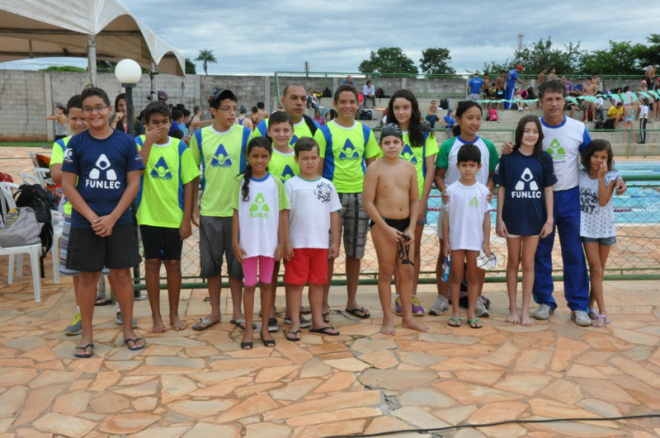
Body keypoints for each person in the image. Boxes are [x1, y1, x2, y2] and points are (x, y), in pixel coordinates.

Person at [501, 79, 626, 326]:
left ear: (564, 101)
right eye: (549, 99)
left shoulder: (578, 129)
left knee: (573, 253)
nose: (554, 104)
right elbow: (518, 152)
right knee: (541, 253)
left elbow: (598, 157)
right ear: (541, 102)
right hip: (539, 199)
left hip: (570, 197)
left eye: (558, 99)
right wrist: (508, 148)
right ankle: (545, 301)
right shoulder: (534, 130)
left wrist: (616, 176)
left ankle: (578, 305)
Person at [61, 87, 145, 358]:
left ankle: (128, 331)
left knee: (121, 275)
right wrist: (93, 217)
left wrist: (112, 217)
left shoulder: (126, 142)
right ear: (82, 113)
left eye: (99, 107)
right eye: (88, 109)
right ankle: (87, 334)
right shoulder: (76, 144)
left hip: (118, 221)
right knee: (87, 277)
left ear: (110, 110)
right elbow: (67, 184)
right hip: (87, 223)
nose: (94, 113)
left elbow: (134, 182)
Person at [314, 84, 380, 321]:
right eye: (343, 102)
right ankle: (323, 303)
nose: (348, 106)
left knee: (356, 252)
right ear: (335, 104)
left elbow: (373, 166)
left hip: (360, 197)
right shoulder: (324, 132)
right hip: (332, 199)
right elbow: (318, 170)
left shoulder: (365, 132)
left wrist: (372, 198)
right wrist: (321, 201)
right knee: (329, 253)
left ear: (358, 103)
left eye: (352, 102)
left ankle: (352, 300)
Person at [190, 88, 251, 331]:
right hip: (211, 211)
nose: (232, 113)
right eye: (226, 109)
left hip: (239, 213)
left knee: (237, 267)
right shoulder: (200, 137)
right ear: (213, 111)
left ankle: (237, 312)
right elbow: (192, 174)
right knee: (211, 266)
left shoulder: (245, 134)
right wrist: (194, 208)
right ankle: (215, 312)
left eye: (234, 108)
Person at [431, 101, 499, 317]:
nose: (475, 122)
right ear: (458, 119)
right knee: (446, 253)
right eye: (470, 117)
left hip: (477, 209)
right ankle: (443, 297)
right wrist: (444, 191)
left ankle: (476, 298)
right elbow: (439, 175)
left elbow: (493, 175)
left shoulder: (487, 147)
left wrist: (489, 189)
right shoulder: (448, 146)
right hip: (453, 209)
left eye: (478, 117)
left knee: (478, 256)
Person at [136, 101, 199, 333]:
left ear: (171, 123)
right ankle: (156, 317)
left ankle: (174, 314)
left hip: (174, 217)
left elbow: (190, 181)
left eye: (164, 122)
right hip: (149, 216)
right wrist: (149, 143)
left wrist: (187, 218)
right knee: (152, 264)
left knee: (174, 264)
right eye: (155, 123)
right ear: (145, 124)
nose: (160, 126)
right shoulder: (138, 144)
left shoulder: (179, 147)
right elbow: (137, 169)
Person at [363, 124, 429, 335]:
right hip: (383, 225)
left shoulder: (409, 168)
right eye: (387, 143)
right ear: (381, 145)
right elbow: (368, 203)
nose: (391, 146)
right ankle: (387, 318)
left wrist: (411, 228)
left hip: (405, 226)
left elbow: (414, 200)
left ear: (402, 144)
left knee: (407, 271)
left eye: (395, 142)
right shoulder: (374, 168)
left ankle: (408, 318)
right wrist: (385, 228)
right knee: (386, 271)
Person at [494, 115, 556, 326]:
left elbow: (548, 189)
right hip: (512, 217)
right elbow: (501, 189)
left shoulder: (544, 159)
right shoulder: (508, 158)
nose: (531, 135)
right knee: (513, 262)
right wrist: (498, 217)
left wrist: (549, 219)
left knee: (529, 263)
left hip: (535, 218)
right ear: (520, 133)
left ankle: (526, 310)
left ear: (539, 135)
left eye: (535, 131)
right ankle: (512, 307)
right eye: (527, 131)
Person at [232, 137, 289, 349]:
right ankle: (248, 329)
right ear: (248, 157)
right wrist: (235, 242)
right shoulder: (239, 182)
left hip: (269, 245)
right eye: (255, 156)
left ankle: (265, 328)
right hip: (247, 246)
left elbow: (283, 214)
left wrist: (282, 242)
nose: (259, 160)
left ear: (270, 157)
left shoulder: (276, 182)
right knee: (249, 286)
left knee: (267, 285)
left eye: (264, 156)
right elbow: (236, 213)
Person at [385, 90, 438, 316]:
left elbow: (429, 171)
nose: (401, 112)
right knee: (397, 250)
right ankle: (399, 295)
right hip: (393, 202)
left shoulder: (425, 134)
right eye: (397, 108)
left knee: (412, 250)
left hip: (415, 202)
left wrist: (423, 201)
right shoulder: (388, 134)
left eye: (406, 107)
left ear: (413, 109)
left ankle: (412, 293)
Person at [284, 137, 341, 339]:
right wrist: (286, 242)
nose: (310, 162)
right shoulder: (290, 185)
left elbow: (333, 214)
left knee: (318, 283)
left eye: (313, 158)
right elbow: (284, 215)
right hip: (297, 245)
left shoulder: (327, 185)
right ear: (296, 159)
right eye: (305, 158)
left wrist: (334, 241)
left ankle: (317, 320)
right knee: (295, 284)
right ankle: (295, 324)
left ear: (319, 159)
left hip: (320, 244)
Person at [442, 144, 492, 329]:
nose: (468, 169)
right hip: (456, 242)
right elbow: (446, 218)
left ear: (479, 167)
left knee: (473, 277)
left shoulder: (483, 192)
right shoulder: (451, 191)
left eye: (472, 165)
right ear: (458, 166)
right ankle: (455, 312)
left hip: (475, 242)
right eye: (464, 165)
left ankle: (471, 313)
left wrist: (486, 243)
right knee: (456, 276)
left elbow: (487, 218)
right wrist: (446, 242)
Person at [578, 140, 617, 328]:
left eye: (603, 157)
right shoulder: (580, 174)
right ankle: (603, 312)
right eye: (596, 156)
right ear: (588, 157)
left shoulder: (612, 176)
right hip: (588, 230)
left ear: (608, 159)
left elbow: (603, 200)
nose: (599, 161)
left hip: (606, 230)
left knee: (599, 271)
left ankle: (590, 307)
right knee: (595, 269)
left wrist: (602, 178)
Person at [252, 84, 319, 147]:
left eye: (303, 99)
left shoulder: (315, 127)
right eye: (294, 98)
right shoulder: (265, 126)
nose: (299, 103)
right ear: (283, 101)